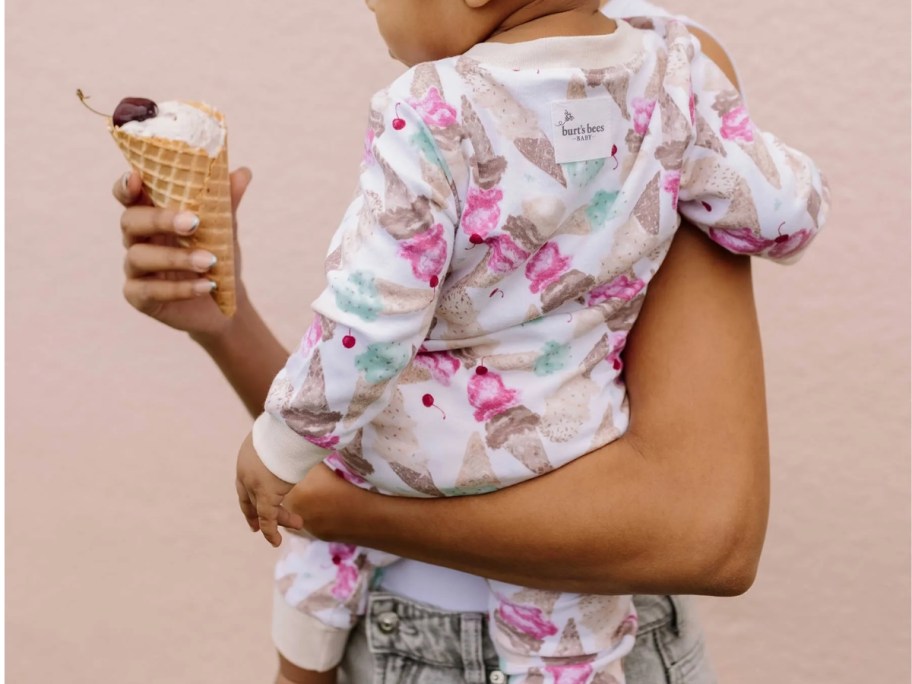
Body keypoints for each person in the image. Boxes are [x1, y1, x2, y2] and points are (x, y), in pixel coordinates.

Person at [111, 2, 822, 683]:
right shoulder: (674, 71)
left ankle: (300, 667)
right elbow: (780, 213)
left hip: (409, 463)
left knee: (328, 510)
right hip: (565, 449)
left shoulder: (430, 107)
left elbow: (370, 324)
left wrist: (280, 442)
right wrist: (225, 324)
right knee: (568, 641)